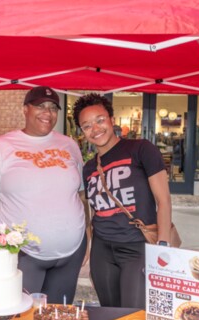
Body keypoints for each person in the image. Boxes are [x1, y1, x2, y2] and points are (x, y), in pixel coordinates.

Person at [0, 86, 88, 304]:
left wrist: (88, 234)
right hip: (22, 255)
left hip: (71, 254)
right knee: (17, 318)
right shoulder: (0, 147)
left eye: (53, 107)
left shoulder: (69, 145)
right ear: (25, 109)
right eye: (40, 106)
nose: (48, 112)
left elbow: (81, 196)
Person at [73, 93, 172, 308]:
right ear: (82, 132)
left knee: (133, 315)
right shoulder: (89, 168)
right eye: (87, 125)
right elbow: (92, 211)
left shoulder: (141, 149)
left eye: (100, 120)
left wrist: (163, 248)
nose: (95, 129)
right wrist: (89, 248)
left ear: (112, 119)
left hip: (137, 247)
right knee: (110, 314)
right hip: (103, 251)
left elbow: (163, 201)